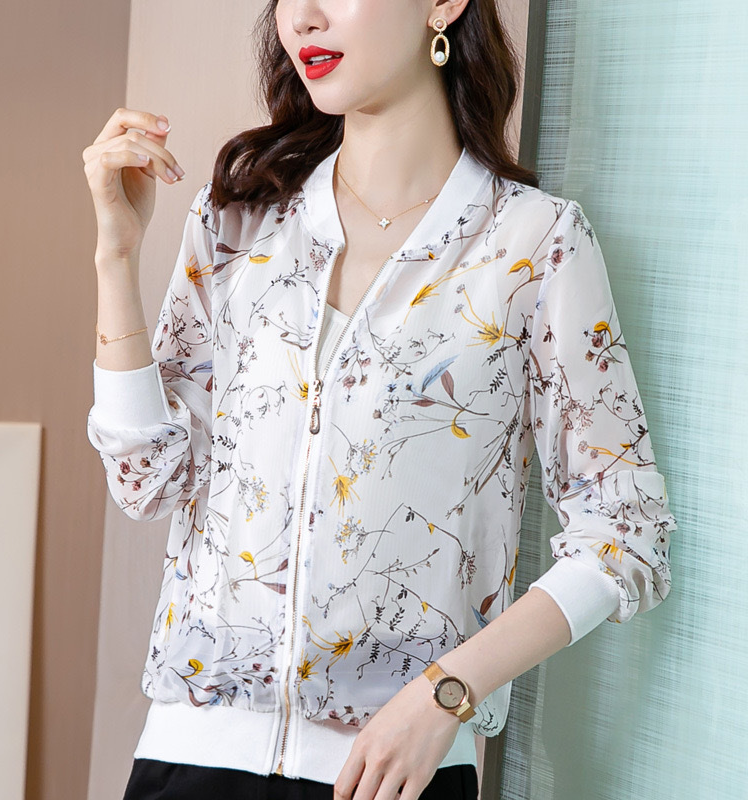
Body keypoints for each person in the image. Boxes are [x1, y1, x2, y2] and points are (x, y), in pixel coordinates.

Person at [83, 1, 677, 798]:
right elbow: (147, 482)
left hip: (393, 775)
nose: (304, 18)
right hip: (191, 760)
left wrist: (447, 692)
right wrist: (115, 257)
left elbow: (625, 532)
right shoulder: (239, 220)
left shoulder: (533, 244)